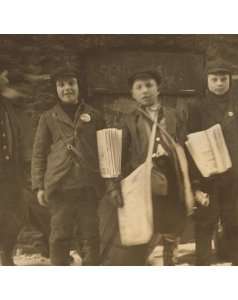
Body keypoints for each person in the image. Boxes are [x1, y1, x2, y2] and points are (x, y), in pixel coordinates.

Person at [104, 70, 188, 266]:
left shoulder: (174, 115)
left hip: (171, 177)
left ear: (158, 89)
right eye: (139, 87)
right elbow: (117, 157)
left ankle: (170, 260)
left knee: (172, 224)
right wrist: (113, 186)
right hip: (142, 181)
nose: (145, 91)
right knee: (142, 227)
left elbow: (183, 146)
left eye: (149, 85)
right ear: (132, 94)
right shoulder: (127, 121)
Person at [31, 67, 106, 266]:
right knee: (59, 236)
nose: (67, 89)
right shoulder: (47, 118)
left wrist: (108, 181)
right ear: (56, 89)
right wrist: (39, 186)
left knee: (90, 234)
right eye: (61, 85)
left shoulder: (95, 115)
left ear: (78, 86)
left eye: (71, 83)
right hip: (60, 186)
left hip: (88, 186)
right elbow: (38, 154)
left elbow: (105, 150)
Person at [187, 58, 238, 266]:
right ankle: (203, 261)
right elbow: (191, 141)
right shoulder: (196, 107)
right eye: (214, 79)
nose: (219, 83)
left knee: (234, 220)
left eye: (224, 79)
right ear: (207, 81)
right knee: (206, 220)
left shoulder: (237, 106)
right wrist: (196, 177)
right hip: (209, 175)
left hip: (234, 174)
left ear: (230, 81)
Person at [0, 70, 25, 265]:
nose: (6, 78)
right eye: (3, 75)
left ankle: (6, 254)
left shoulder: (8, 104)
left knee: (11, 212)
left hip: (9, 170)